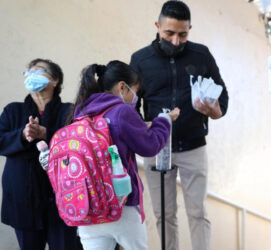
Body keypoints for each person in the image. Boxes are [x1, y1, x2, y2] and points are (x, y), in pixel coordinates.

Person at [130, 1, 229, 249]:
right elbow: (130, 107)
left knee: (197, 213)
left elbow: (223, 98)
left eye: (183, 34)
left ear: (190, 29)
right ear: (157, 26)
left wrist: (215, 111)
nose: (176, 41)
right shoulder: (140, 60)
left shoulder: (201, 54)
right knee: (164, 215)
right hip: (157, 147)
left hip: (193, 146)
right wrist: (145, 127)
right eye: (169, 33)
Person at [68, 60, 180, 250]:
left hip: (87, 207)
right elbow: (150, 146)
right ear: (122, 87)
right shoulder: (121, 111)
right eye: (134, 91)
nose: (134, 97)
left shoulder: (80, 113)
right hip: (121, 205)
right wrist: (164, 120)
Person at [0, 59, 82, 250]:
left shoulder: (70, 111)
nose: (31, 75)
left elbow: (80, 144)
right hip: (23, 200)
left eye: (39, 71)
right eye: (28, 72)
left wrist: (48, 134)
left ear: (55, 80)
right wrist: (22, 134)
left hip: (64, 199)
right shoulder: (13, 110)